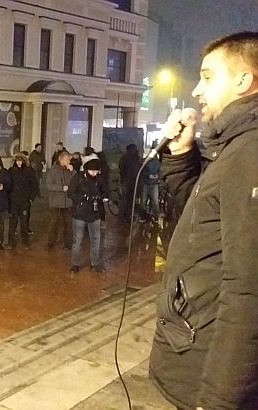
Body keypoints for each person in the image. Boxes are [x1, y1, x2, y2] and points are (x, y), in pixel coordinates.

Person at [149, 32, 258, 410]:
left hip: (207, 373)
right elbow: (200, 228)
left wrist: (219, 399)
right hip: (191, 349)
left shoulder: (250, 151)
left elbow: (248, 293)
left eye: (208, 77)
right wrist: (180, 157)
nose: (197, 90)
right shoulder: (231, 146)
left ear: (244, 81)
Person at [67, 159, 106, 273]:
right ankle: (75, 264)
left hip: (95, 214)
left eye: (96, 171)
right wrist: (82, 198)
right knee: (77, 240)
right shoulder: (78, 178)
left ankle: (95, 263)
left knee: (96, 240)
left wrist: (103, 196)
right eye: (92, 171)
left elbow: (104, 191)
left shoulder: (99, 179)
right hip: (80, 213)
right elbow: (70, 193)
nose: (94, 173)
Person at [8, 152, 38, 249]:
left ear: (24, 161)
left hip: (25, 201)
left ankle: (25, 242)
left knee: (24, 223)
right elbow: (8, 185)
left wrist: (31, 198)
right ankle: (10, 242)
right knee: (13, 222)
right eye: (17, 161)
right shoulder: (11, 171)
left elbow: (35, 185)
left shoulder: (29, 171)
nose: (19, 163)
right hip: (13, 201)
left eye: (20, 161)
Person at [45, 151, 74, 251]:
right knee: (54, 223)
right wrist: (61, 188)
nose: (69, 161)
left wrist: (72, 172)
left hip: (67, 201)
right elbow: (48, 185)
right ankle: (50, 242)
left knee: (68, 223)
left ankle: (68, 243)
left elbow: (76, 182)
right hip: (55, 201)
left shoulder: (71, 170)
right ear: (61, 160)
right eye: (67, 159)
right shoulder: (53, 171)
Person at [118, 143, 141, 222]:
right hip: (133, 181)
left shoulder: (125, 157)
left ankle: (123, 216)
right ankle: (127, 216)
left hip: (126, 180)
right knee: (130, 199)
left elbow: (121, 168)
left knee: (125, 199)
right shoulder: (136, 158)